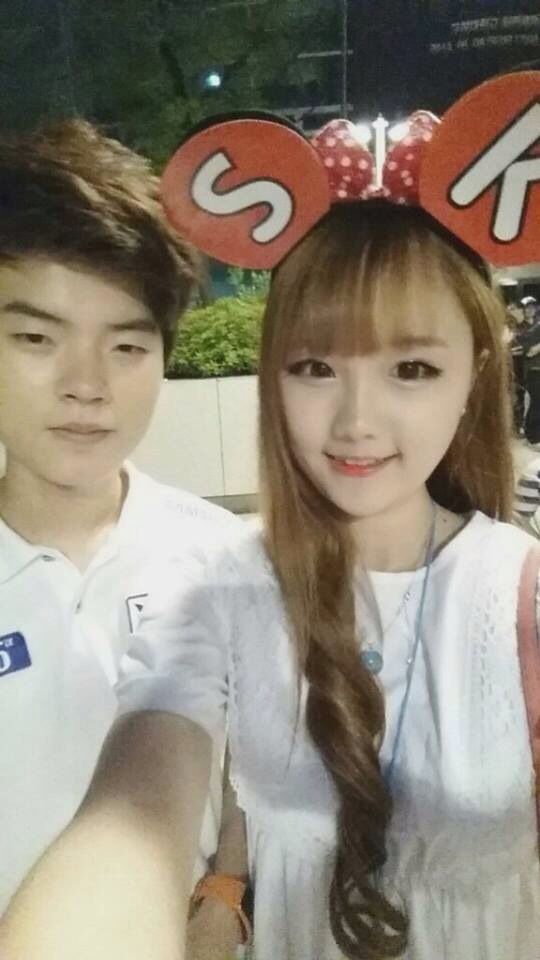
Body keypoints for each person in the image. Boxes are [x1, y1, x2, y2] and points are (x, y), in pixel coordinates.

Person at [3, 89, 540, 960]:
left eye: (410, 368)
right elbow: (140, 797)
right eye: (315, 367)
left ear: (475, 373)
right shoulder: (221, 588)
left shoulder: (518, 595)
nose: (357, 422)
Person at [0, 119, 248, 956]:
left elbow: (253, 763)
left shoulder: (223, 558)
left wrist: (226, 895)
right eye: (36, 338)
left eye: (128, 346)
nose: (86, 385)